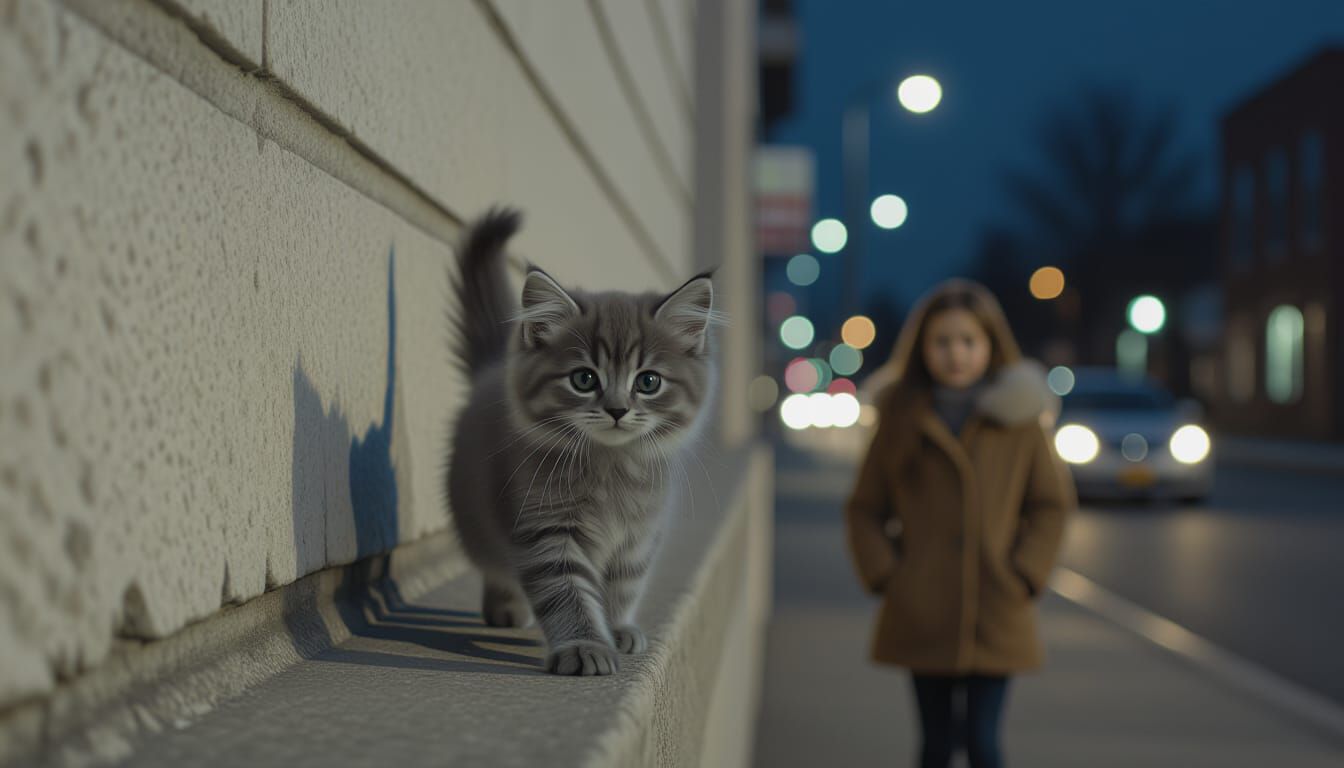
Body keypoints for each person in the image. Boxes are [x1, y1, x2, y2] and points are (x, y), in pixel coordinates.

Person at [844, 279, 1076, 768]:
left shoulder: (1019, 420)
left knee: (983, 743)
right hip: (921, 604)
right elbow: (865, 507)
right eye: (942, 342)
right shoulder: (900, 418)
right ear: (922, 348)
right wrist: (887, 573)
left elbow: (1050, 504)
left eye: (969, 341)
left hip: (997, 603)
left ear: (990, 346)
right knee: (933, 746)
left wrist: (1026, 572)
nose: (956, 354)